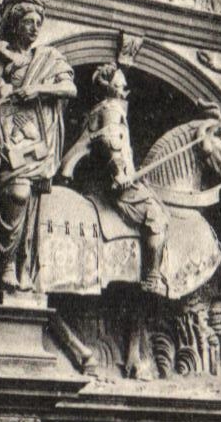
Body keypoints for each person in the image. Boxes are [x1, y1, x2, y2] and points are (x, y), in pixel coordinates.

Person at [0, 0, 76, 290]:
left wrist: (38, 89)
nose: (35, 28)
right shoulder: (0, 55)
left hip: (37, 137)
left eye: (39, 22)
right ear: (15, 24)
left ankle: (19, 265)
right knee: (17, 193)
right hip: (9, 132)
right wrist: (3, 90)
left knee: (31, 200)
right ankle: (3, 264)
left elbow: (69, 88)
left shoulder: (48, 57)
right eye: (28, 22)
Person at [57, 64, 169, 294]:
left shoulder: (99, 109)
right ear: (108, 87)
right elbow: (111, 142)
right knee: (156, 215)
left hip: (99, 181)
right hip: (114, 185)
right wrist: (120, 174)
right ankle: (152, 277)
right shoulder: (111, 108)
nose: (125, 88)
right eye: (120, 84)